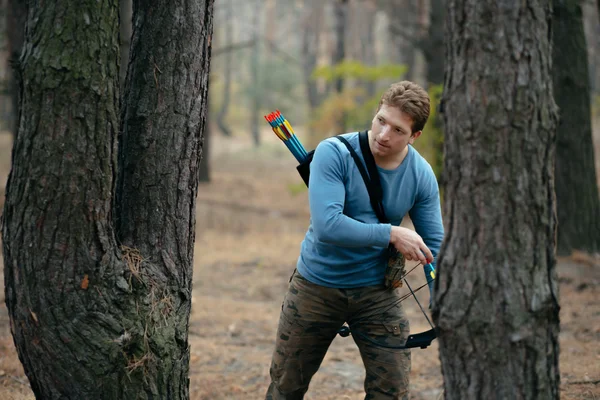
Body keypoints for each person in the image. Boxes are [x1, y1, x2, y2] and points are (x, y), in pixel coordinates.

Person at [265, 81, 445, 400]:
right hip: (316, 286)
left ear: (414, 136)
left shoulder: (421, 175)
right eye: (381, 121)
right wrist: (392, 232)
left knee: (392, 391)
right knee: (286, 387)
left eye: (398, 130)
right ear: (375, 114)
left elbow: (435, 247)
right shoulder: (334, 152)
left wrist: (445, 305)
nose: (384, 134)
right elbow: (328, 225)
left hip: (377, 292)